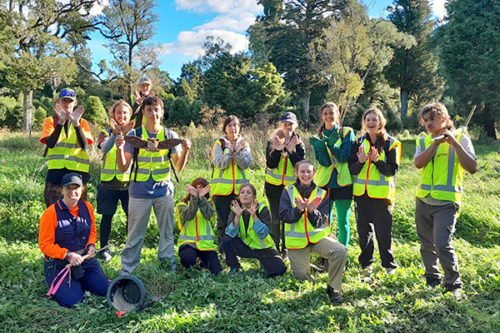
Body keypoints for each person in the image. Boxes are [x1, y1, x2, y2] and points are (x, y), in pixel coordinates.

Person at [116, 96, 191, 275]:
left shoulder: (170, 136)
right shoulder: (134, 135)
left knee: (166, 232)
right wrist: (119, 149)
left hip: (163, 191)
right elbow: (123, 166)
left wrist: (186, 150)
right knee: (134, 234)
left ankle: (167, 268)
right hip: (138, 192)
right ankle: (127, 270)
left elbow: (179, 167)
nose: (153, 114)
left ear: (162, 112)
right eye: (149, 110)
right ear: (143, 113)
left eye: (157, 110)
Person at [414, 103, 477, 298]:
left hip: (446, 203)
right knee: (426, 244)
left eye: (433, 119)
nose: (429, 123)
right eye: (426, 120)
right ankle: (432, 278)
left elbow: (472, 167)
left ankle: (453, 284)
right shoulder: (424, 141)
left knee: (442, 243)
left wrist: (454, 145)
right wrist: (436, 143)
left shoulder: (461, 138)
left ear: (445, 119)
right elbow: (418, 163)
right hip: (423, 200)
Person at [280, 160, 347, 303]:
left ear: (314, 173)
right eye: (302, 171)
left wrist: (312, 211)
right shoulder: (288, 191)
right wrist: (298, 210)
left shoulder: (322, 193)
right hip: (297, 243)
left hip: (318, 240)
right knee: (302, 279)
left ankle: (333, 287)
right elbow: (284, 217)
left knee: (340, 251)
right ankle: (308, 265)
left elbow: (321, 221)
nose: (306, 174)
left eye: (309, 171)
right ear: (296, 173)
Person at [38, 173, 109, 308]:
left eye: (76, 188)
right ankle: (64, 282)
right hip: (60, 265)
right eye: (68, 188)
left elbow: (92, 231)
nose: (72, 192)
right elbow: (45, 245)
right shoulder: (50, 213)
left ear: (82, 189)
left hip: (85, 261)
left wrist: (91, 245)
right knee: (73, 302)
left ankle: (82, 281)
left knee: (105, 290)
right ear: (62, 190)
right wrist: (68, 255)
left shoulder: (87, 207)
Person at [349, 107, 401, 277]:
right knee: (364, 233)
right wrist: (362, 162)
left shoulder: (392, 143)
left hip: (381, 196)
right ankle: (366, 265)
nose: (371, 123)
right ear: (364, 122)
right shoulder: (357, 143)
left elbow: (392, 171)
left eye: (374, 119)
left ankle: (389, 265)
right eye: (368, 120)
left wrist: (377, 161)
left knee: (383, 233)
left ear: (381, 122)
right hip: (361, 195)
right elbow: (353, 169)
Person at [309, 102, 354, 248]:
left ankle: (342, 254)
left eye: (331, 113)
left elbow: (345, 156)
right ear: (322, 117)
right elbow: (324, 161)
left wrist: (332, 145)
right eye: (326, 114)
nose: (329, 116)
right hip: (324, 184)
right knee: (324, 221)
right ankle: (327, 255)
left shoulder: (346, 132)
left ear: (337, 115)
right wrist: (322, 146)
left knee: (343, 222)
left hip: (343, 183)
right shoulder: (317, 136)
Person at [40, 88, 93, 207]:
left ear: (75, 103)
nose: (67, 104)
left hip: (77, 174)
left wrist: (76, 124)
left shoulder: (82, 122)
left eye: (70, 101)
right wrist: (61, 122)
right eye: (64, 101)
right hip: (56, 175)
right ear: (58, 101)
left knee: (78, 211)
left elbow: (84, 145)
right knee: (54, 210)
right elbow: (50, 143)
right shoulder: (50, 121)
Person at [96, 100, 134, 262]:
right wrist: (114, 134)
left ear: (130, 116)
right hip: (108, 185)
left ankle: (129, 248)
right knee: (107, 218)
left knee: (131, 218)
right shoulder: (104, 133)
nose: (122, 116)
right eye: (119, 113)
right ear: (113, 115)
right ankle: (104, 248)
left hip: (128, 185)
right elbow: (104, 148)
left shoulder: (134, 135)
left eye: (125, 113)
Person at [223, 183, 286, 277]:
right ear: (239, 196)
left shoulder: (262, 209)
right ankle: (234, 266)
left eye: (248, 192)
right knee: (226, 240)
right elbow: (230, 233)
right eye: (242, 192)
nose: (245, 195)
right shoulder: (236, 209)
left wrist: (254, 216)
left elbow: (263, 234)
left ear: (254, 196)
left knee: (280, 269)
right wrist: (237, 216)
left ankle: (263, 262)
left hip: (262, 249)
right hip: (245, 247)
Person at [265, 112, 305, 253]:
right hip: (273, 187)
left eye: (290, 124)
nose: (288, 126)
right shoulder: (273, 141)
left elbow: (301, 166)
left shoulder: (299, 144)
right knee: (275, 219)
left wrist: (291, 151)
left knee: (287, 218)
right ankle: (274, 250)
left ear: (295, 125)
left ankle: (287, 250)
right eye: (285, 124)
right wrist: (277, 150)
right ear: (280, 125)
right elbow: (270, 164)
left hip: (290, 189)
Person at [211, 115, 252, 246]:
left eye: (235, 125)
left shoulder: (244, 144)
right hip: (222, 191)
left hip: (241, 191)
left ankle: (237, 249)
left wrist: (239, 152)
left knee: (239, 220)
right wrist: (229, 151)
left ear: (239, 128)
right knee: (223, 221)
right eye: (229, 125)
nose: (232, 128)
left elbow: (246, 164)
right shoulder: (219, 144)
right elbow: (220, 163)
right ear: (225, 129)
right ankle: (223, 249)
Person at [176, 178, 222, 275]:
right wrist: (194, 198)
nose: (198, 191)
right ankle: (194, 262)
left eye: (202, 189)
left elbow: (208, 215)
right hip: (188, 244)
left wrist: (201, 199)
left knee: (216, 271)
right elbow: (189, 215)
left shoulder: (209, 204)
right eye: (196, 189)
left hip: (206, 245)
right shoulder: (182, 204)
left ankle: (203, 262)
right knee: (188, 260)